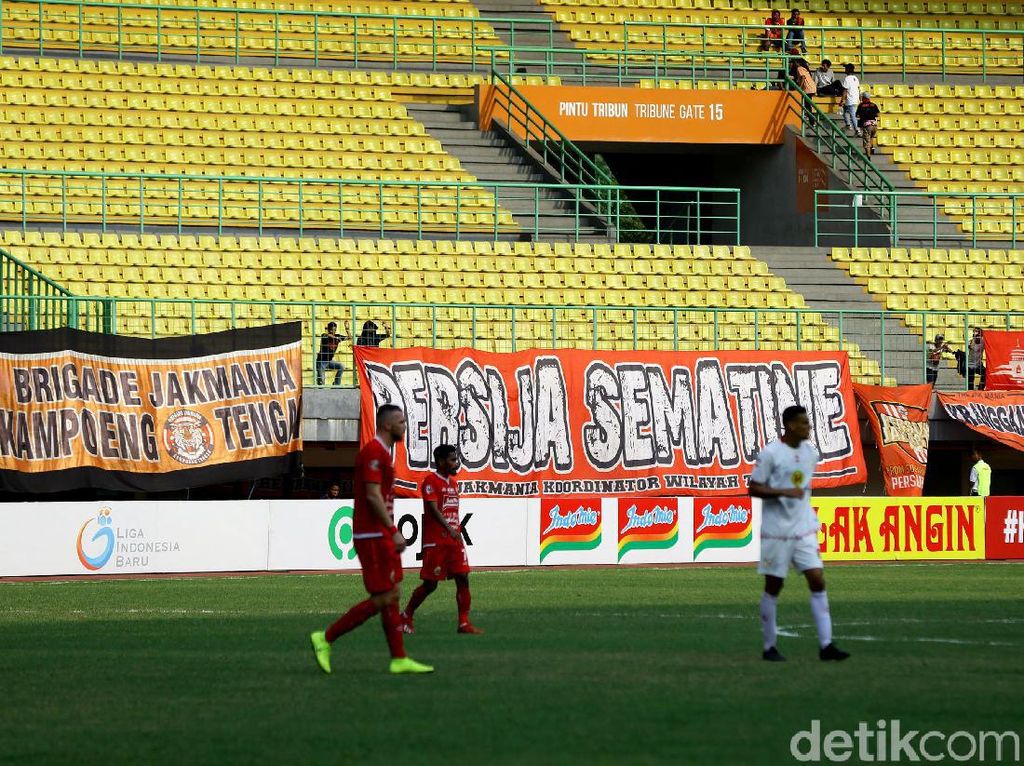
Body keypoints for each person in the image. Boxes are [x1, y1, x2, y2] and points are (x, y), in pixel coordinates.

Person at [310, 405, 434, 675]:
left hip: (379, 534)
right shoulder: (374, 453)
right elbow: (372, 496)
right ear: (388, 425)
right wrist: (393, 530)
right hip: (373, 536)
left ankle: (399, 658)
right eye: (401, 421)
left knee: (392, 595)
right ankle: (326, 638)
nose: (405, 426)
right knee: (384, 596)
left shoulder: (382, 454)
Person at [749, 405, 850, 663]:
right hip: (776, 532)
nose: (809, 427)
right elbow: (754, 488)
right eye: (804, 423)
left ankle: (826, 646)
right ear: (791, 426)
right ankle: (769, 646)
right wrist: (783, 492)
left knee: (817, 580)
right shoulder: (771, 453)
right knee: (774, 585)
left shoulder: (810, 453)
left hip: (804, 528)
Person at [400, 445, 483, 636]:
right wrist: (449, 529)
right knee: (430, 584)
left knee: (463, 578)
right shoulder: (431, 481)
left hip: (454, 541)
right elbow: (433, 509)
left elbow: (452, 511)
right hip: (436, 541)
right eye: (452, 459)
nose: (456, 463)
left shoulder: (453, 484)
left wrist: (457, 531)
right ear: (441, 461)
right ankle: (406, 615)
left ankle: (463, 623)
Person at [315, 321, 347, 386]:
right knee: (321, 383)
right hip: (321, 362)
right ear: (329, 330)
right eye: (332, 330)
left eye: (335, 330)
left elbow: (349, 337)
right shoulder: (324, 336)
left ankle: (336, 384)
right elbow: (327, 335)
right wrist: (336, 338)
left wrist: (347, 329)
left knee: (341, 366)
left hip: (329, 361)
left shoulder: (337, 336)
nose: (333, 331)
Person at [840, 63, 861, 136]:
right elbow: (858, 89)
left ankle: (857, 130)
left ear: (848, 70)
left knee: (852, 115)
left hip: (850, 100)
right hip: (855, 99)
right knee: (845, 111)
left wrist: (842, 100)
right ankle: (848, 124)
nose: (845, 70)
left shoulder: (847, 78)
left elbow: (845, 90)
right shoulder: (855, 78)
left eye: (846, 68)